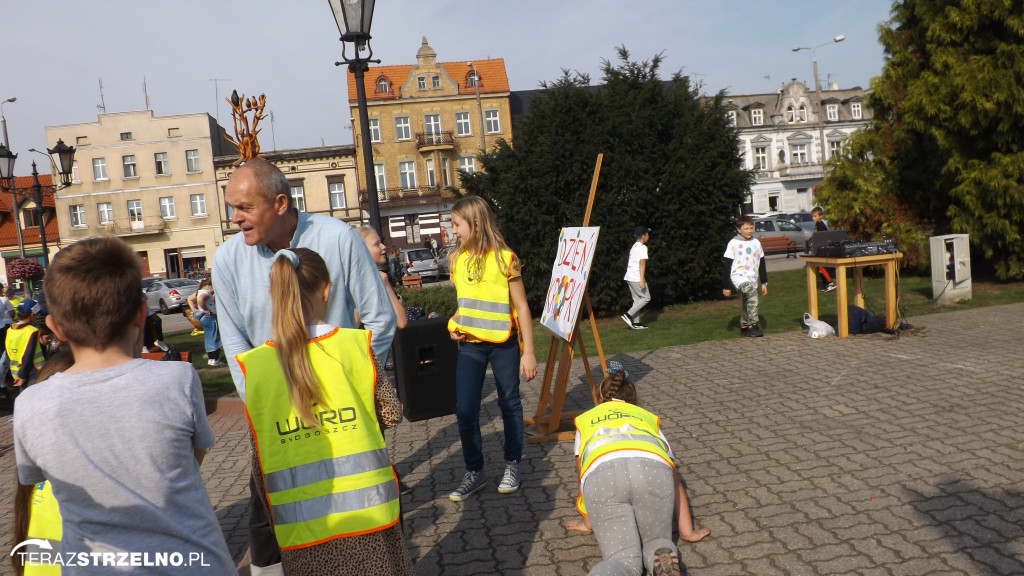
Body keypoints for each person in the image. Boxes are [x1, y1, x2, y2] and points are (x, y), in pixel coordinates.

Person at [213, 158, 396, 574]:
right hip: (277, 415)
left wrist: (355, 381)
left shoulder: (338, 238)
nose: (235, 218)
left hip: (344, 411)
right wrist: (263, 403)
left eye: (244, 207)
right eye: (231, 208)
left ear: (279, 202)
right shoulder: (227, 259)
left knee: (362, 509)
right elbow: (234, 342)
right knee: (269, 519)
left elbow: (379, 319)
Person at [12, 236, 235, 574]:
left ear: (55, 326)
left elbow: (38, 478)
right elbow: (191, 461)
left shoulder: (31, 404)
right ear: (140, 314)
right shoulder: (178, 379)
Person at [238, 248, 413, 576]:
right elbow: (390, 414)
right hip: (369, 519)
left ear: (272, 295)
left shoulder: (258, 367)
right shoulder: (353, 346)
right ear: (327, 289)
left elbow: (259, 458)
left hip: (302, 534)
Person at [566, 364, 709, 576]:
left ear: (600, 394)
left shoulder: (585, 421)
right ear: (633, 397)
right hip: (652, 471)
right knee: (657, 540)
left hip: (604, 476)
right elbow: (674, 477)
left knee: (622, 558)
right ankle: (663, 555)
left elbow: (583, 478)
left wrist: (588, 522)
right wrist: (687, 532)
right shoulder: (647, 418)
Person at [446, 196, 538, 501]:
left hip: (504, 345)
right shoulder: (456, 260)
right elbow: (465, 305)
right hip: (470, 347)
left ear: (474, 223)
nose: (453, 230)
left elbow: (522, 307)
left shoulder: (505, 259)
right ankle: (475, 472)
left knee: (510, 404)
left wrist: (529, 352)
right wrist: (454, 325)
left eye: (456, 224)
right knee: (465, 411)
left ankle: (512, 465)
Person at [722, 216, 768, 338]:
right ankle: (753, 326)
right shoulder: (733, 243)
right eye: (746, 228)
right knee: (752, 295)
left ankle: (744, 327)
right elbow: (727, 265)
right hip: (738, 277)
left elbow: (761, 262)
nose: (749, 231)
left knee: (747, 301)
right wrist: (726, 286)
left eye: (751, 228)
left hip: (752, 278)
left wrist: (764, 282)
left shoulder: (756, 243)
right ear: (739, 229)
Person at [357, 226, 408, 332]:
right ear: (361, 250)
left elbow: (402, 322)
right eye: (377, 244)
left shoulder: (382, 279)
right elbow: (351, 325)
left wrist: (387, 287)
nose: (383, 247)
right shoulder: (356, 283)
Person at [6, 299, 45, 389]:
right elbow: (29, 354)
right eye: (37, 315)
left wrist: (20, 374)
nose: (37, 317)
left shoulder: (10, 330)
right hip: (32, 372)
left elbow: (8, 353)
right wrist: (22, 375)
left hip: (17, 372)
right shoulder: (32, 331)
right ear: (32, 315)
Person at [622, 226, 651, 330]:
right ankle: (628, 315)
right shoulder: (643, 248)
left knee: (637, 299)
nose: (648, 236)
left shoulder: (634, 246)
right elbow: (642, 264)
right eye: (647, 234)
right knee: (646, 298)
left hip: (629, 276)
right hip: (636, 277)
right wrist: (642, 280)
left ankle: (636, 323)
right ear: (643, 236)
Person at [188, 277, 222, 365]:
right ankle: (215, 360)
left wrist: (195, 310)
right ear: (209, 286)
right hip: (209, 317)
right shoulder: (206, 293)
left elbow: (190, 299)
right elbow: (200, 300)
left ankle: (210, 359)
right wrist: (205, 309)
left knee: (208, 338)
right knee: (214, 338)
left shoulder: (199, 292)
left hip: (203, 318)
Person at [811, 207, 836, 292]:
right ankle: (825, 285)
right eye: (812, 216)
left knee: (821, 267)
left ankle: (830, 283)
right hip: (819, 248)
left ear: (820, 216)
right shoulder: (817, 225)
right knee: (820, 267)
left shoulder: (821, 225)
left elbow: (824, 237)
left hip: (823, 249)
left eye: (815, 216)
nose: (813, 218)